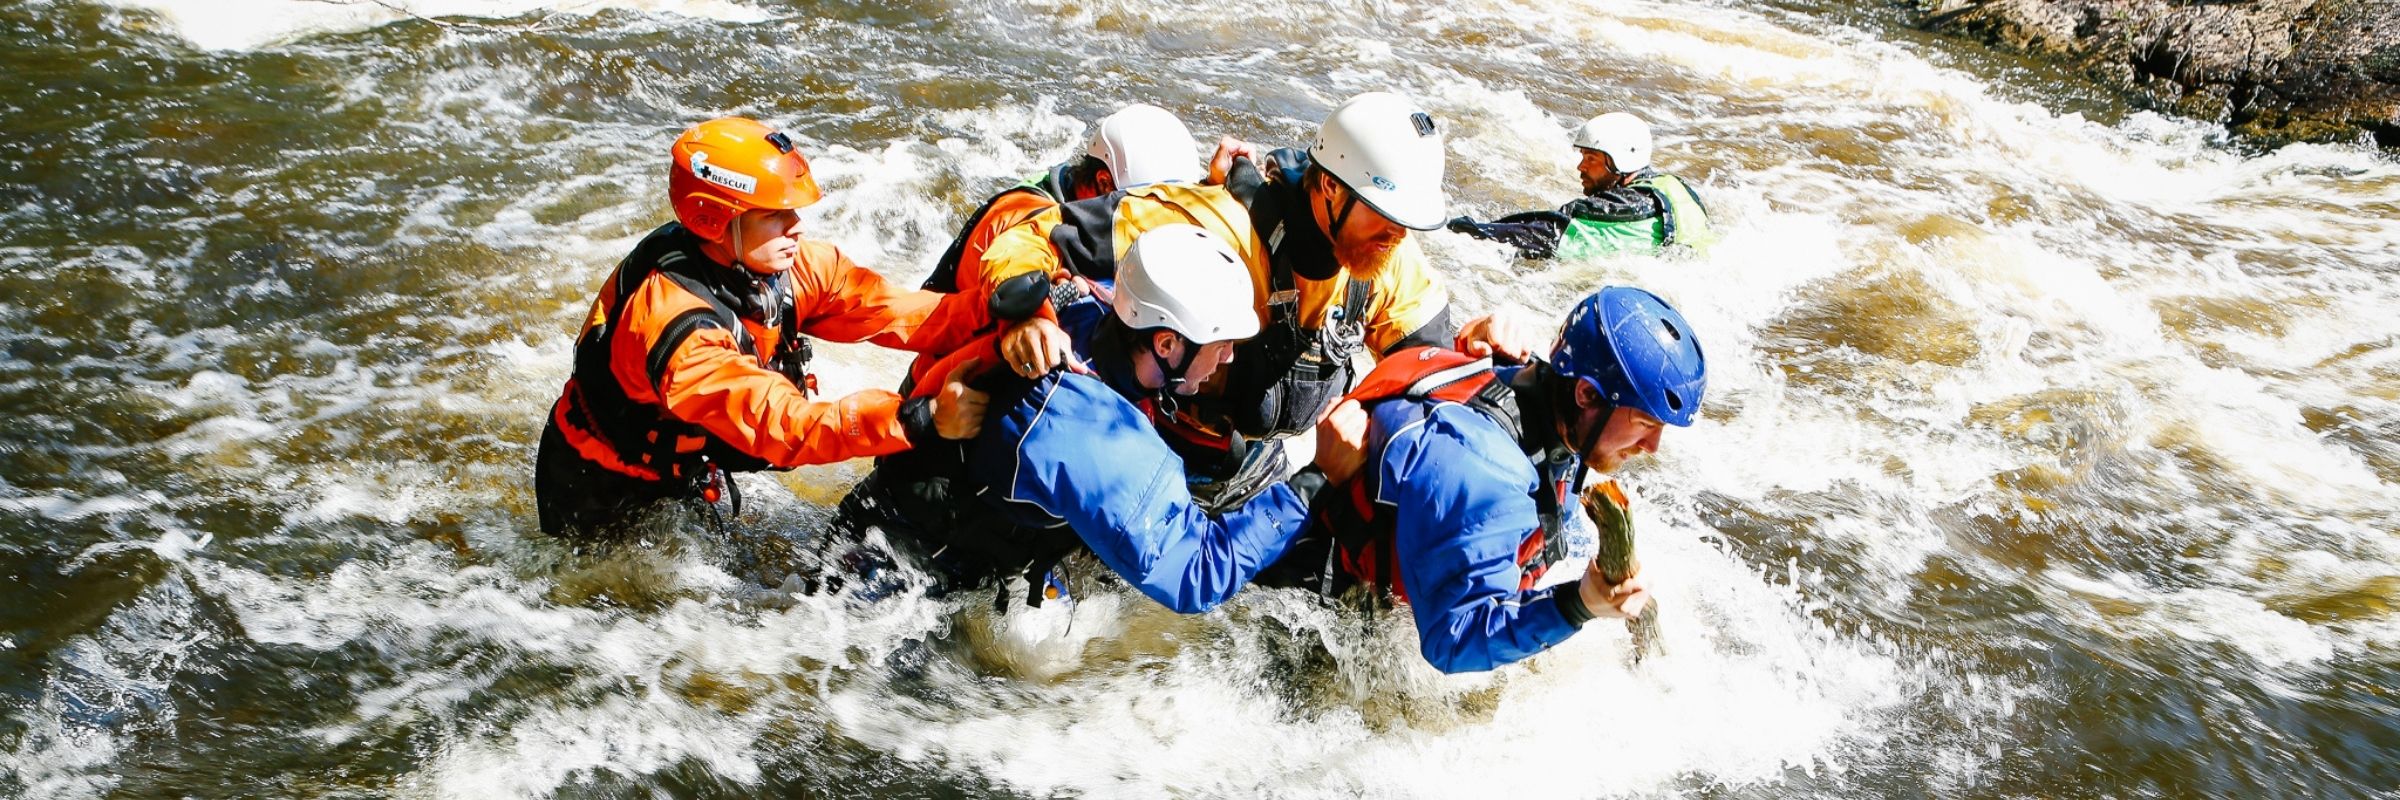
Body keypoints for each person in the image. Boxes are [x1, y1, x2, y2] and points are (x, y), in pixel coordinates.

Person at [992, 93, 1481, 509]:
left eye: (1404, 223)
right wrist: (1027, 316)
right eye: (1384, 216)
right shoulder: (1211, 224)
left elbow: (1430, 372)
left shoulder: (1386, 255)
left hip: (1277, 477)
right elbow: (1030, 239)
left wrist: (1486, 355)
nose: (1396, 235)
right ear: (1330, 187)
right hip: (1161, 466)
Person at [839, 224, 1352, 613]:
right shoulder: (1088, 431)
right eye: (1220, 345)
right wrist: (1316, 478)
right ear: (1167, 343)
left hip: (913, 522)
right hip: (900, 580)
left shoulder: (1089, 304)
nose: (1228, 360)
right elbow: (1194, 575)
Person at [536, 117, 989, 539]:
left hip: (684, 465)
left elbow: (895, 310)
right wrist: (917, 420)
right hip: (598, 489)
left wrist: (1002, 310)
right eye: (774, 214)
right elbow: (784, 427)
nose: (796, 226)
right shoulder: (676, 328)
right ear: (713, 219)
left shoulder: (785, 266)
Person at [1259, 285, 1706, 674]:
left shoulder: (1547, 408)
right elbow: (1451, 643)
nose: (1653, 448)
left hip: (1379, 594)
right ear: (1587, 393)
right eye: (1645, 423)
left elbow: (1546, 527)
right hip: (1304, 622)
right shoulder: (1483, 470)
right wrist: (1577, 605)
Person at [904, 103, 1202, 390]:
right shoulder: (1021, 218)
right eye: (1144, 209)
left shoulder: (1071, 206)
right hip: (944, 389)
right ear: (1104, 185)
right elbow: (1012, 288)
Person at [1447, 112, 1716, 259]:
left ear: (1621, 161)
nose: (1581, 167)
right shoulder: (1677, 188)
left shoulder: (1618, 209)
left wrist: (1466, 231)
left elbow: (1544, 231)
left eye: (1591, 158)